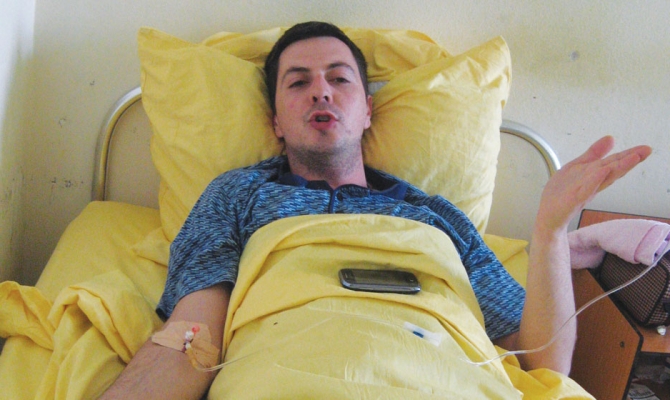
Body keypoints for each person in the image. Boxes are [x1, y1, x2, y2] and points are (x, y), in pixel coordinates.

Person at [100, 22, 652, 399]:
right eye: (298, 82)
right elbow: (193, 336)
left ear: (367, 111)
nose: (321, 92)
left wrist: (550, 230)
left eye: (339, 79)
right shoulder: (237, 194)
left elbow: (542, 365)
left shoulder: (438, 217)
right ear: (275, 121)